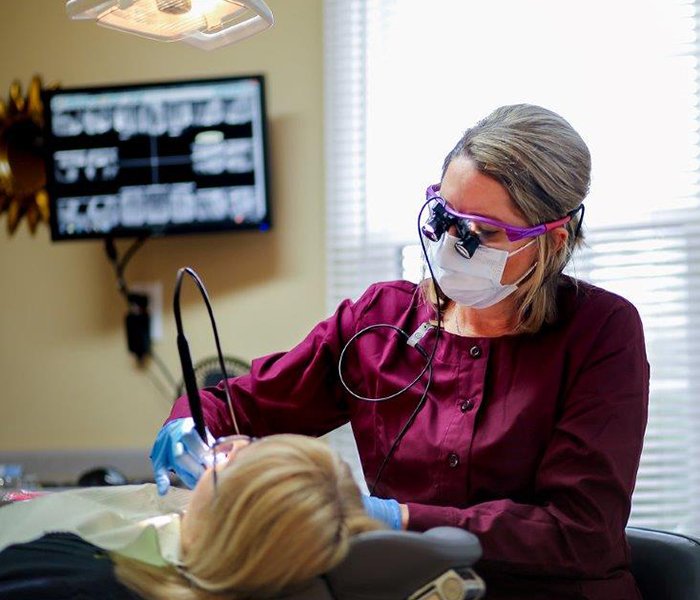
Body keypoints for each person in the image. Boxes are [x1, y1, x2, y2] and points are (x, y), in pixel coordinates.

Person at [152, 104, 650, 599]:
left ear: (551, 240)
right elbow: (242, 405)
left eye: (483, 233)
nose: (455, 244)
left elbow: (579, 534)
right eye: (446, 218)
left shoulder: (601, 332)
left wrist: (399, 518)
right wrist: (189, 429)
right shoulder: (380, 322)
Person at [0, 435, 382, 599]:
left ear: (228, 525)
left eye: (223, 462)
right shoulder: (138, 567)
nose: (219, 449)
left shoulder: (81, 587)